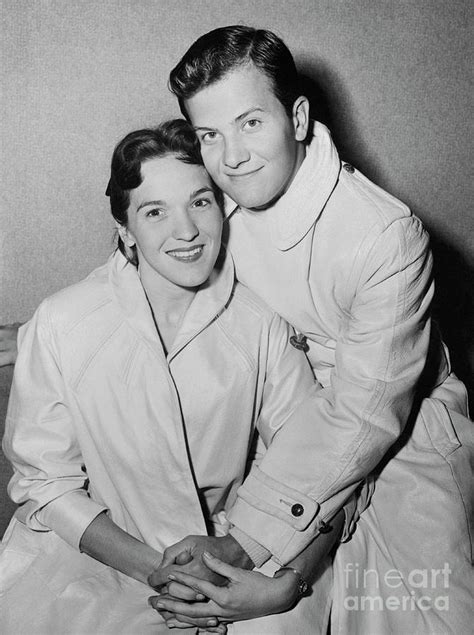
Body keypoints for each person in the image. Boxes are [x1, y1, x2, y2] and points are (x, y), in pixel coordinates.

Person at [146, 26, 473, 634]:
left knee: (424, 617)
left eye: (250, 124)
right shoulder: (218, 201)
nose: (232, 157)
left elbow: (364, 414)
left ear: (297, 117)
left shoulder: (386, 235)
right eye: (208, 135)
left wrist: (251, 542)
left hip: (407, 437)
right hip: (285, 424)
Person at [0, 120, 344, 634]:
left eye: (200, 202)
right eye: (154, 211)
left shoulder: (263, 325)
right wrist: (155, 571)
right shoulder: (60, 323)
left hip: (244, 554)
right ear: (124, 229)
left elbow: (318, 471)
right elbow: (46, 483)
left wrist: (278, 579)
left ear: (223, 208)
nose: (185, 231)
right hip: (100, 560)